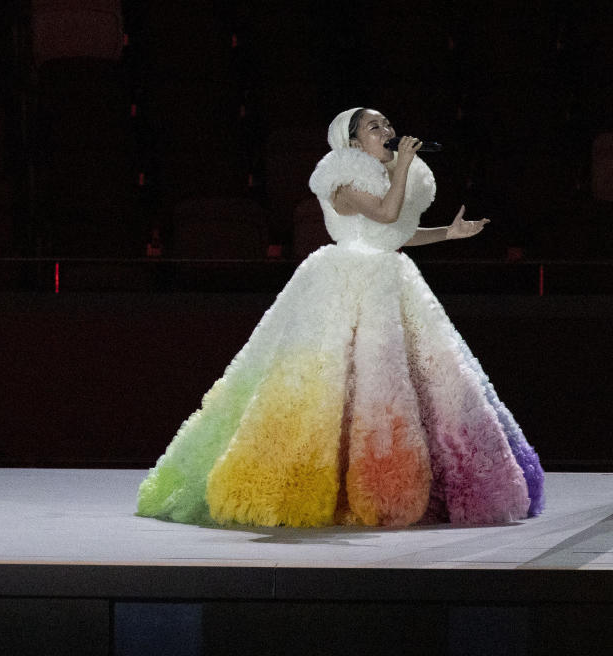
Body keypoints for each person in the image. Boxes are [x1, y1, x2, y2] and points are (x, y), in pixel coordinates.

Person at [136, 107, 544, 527]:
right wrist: (403, 164)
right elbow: (385, 213)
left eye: (388, 124)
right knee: (332, 386)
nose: (387, 131)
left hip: (390, 281)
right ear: (352, 143)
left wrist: (448, 233)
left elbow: (393, 234)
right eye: (374, 127)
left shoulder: (388, 181)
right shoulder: (343, 182)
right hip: (344, 286)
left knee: (418, 380)